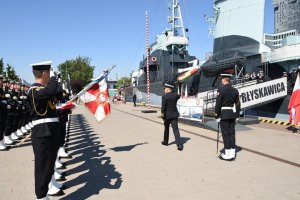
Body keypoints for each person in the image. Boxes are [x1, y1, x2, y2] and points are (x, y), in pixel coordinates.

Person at [27, 61, 63, 200]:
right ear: (44, 73)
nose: (50, 74)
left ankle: (48, 191)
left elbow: (57, 95)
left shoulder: (44, 89)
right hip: (42, 132)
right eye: (49, 72)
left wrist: (58, 83)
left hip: (50, 130)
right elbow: (49, 92)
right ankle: (41, 197)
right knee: (43, 168)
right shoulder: (34, 91)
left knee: (50, 164)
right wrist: (54, 79)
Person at [215, 74, 240, 161]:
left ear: (224, 80)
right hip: (232, 114)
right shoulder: (235, 90)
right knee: (232, 133)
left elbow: (218, 104)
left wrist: (217, 115)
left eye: (222, 79)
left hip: (224, 114)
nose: (221, 81)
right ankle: (233, 153)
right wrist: (237, 115)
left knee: (225, 134)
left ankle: (228, 153)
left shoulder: (221, 89)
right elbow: (237, 104)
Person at [161, 83, 183, 151]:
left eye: (165, 89)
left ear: (168, 89)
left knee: (166, 129)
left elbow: (163, 107)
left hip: (167, 116)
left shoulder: (164, 96)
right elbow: (179, 95)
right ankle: (179, 144)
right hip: (174, 115)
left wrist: (162, 115)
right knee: (176, 129)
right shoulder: (176, 95)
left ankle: (165, 142)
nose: (164, 90)